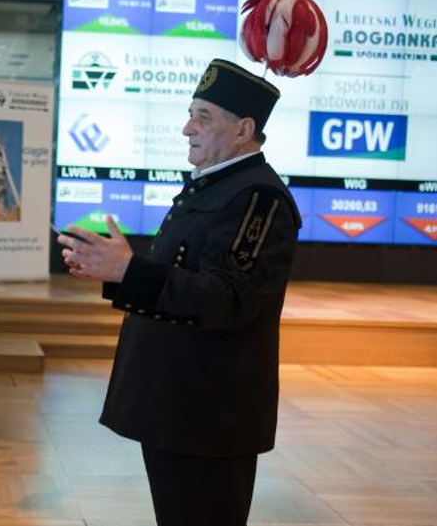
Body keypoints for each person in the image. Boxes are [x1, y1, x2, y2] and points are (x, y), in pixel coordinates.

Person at [58, 58, 302, 526]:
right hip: (178, 408)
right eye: (191, 113)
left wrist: (130, 271)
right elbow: (180, 275)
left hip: (209, 416)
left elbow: (227, 299)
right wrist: (114, 269)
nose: (187, 128)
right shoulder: (214, 187)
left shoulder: (257, 198)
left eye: (203, 116)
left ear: (243, 129)